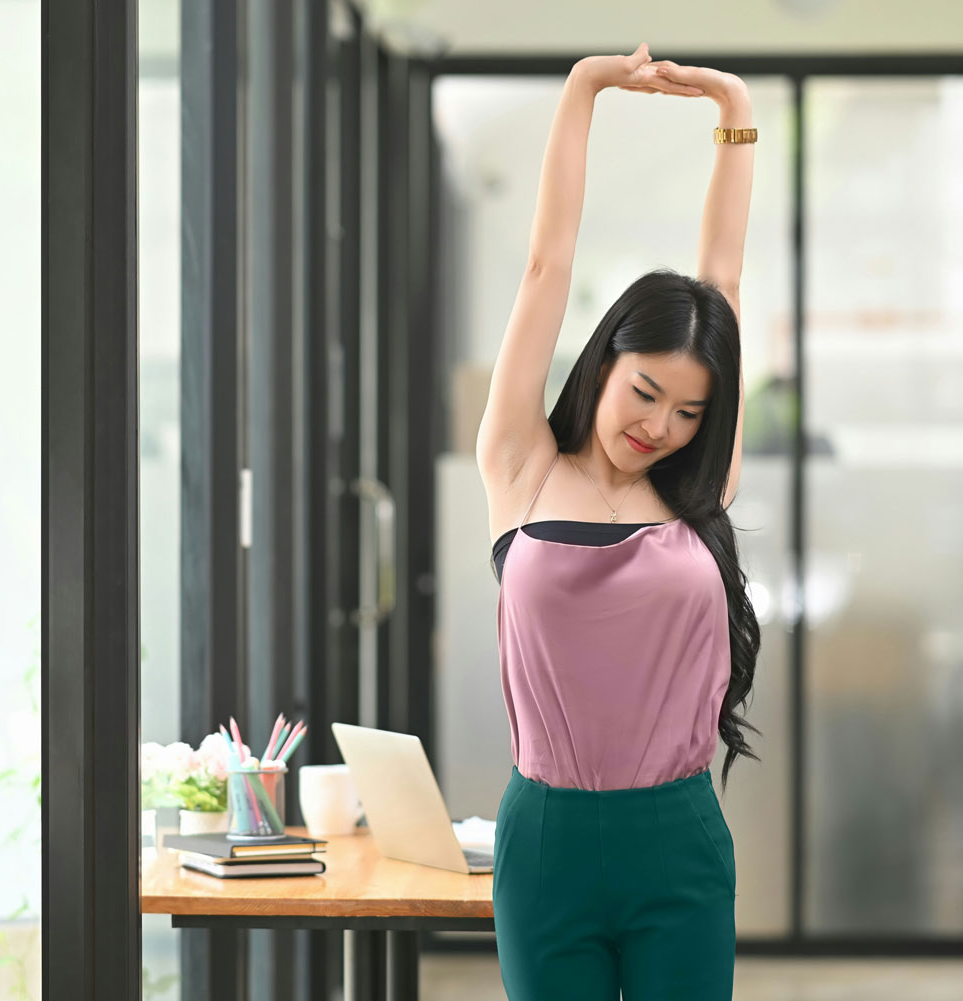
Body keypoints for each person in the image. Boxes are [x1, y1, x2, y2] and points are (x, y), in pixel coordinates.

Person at [475, 43, 763, 1000]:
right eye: (645, 393)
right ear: (602, 363)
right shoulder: (520, 466)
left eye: (688, 412)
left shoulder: (695, 490)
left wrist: (734, 109)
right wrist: (584, 86)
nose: (662, 427)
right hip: (546, 841)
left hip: (675, 837)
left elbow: (720, 276)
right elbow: (545, 264)